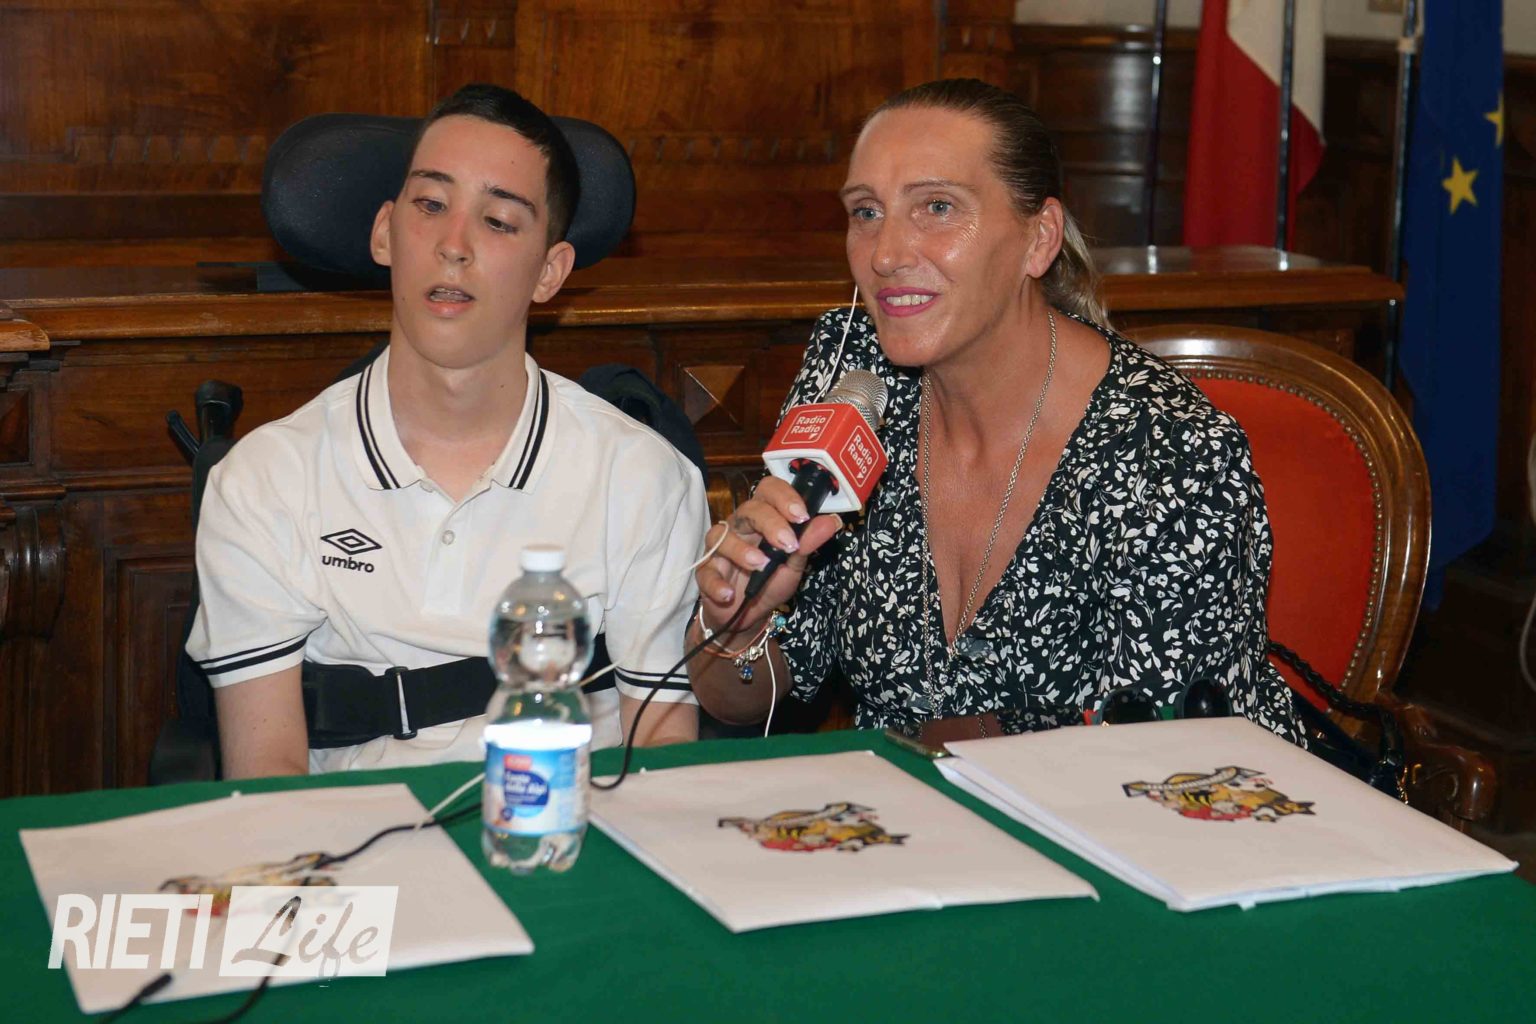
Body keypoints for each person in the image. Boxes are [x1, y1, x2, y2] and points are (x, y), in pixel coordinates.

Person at [689, 78, 1301, 745]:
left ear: (1039, 239)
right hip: (901, 802)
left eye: (937, 207)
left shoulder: (1171, 450)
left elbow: (1172, 759)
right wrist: (736, 629)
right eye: (866, 211)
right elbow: (743, 700)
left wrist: (928, 763)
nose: (885, 254)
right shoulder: (853, 373)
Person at [188, 84, 705, 779]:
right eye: (431, 205)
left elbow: (663, 748)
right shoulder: (265, 480)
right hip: (355, 831)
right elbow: (267, 775)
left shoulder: (641, 475)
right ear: (384, 232)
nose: (453, 246)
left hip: (564, 824)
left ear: (550, 272)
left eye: (498, 220)